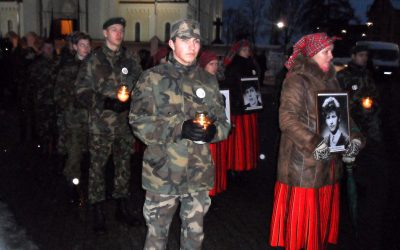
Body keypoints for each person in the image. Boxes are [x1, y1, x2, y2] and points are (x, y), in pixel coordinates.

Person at [129, 19, 230, 250]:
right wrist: (179, 128)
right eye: (185, 39)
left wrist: (214, 131)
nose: (192, 45)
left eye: (196, 40)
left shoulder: (208, 80)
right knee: (156, 237)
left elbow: (224, 122)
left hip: (198, 174)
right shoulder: (152, 78)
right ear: (172, 43)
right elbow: (138, 123)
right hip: (162, 173)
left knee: (194, 239)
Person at [269, 33, 365, 250]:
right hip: (304, 165)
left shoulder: (331, 79)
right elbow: (287, 119)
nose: (331, 56)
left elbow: (343, 116)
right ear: (312, 55)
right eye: (326, 52)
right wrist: (315, 143)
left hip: (329, 165)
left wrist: (356, 139)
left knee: (318, 231)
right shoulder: (297, 79)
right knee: (300, 233)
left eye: (331, 51)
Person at [75, 17, 143, 233]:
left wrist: (132, 100)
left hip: (124, 123)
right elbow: (81, 90)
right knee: (98, 166)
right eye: (114, 30)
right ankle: (97, 210)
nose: (118, 34)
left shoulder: (130, 58)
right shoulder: (94, 60)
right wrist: (104, 101)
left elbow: (141, 85)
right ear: (105, 33)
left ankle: (122, 207)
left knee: (124, 165)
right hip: (101, 123)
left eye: (121, 30)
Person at [337, 44, 387, 249]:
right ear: (353, 56)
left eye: (366, 56)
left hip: (370, 129)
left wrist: (372, 103)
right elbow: (339, 101)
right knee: (349, 166)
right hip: (351, 126)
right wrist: (357, 103)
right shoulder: (344, 76)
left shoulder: (368, 75)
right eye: (361, 55)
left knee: (368, 170)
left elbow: (376, 99)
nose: (364, 59)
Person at [54, 32, 91, 204]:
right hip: (75, 119)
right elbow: (58, 95)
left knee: (91, 155)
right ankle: (73, 188)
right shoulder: (68, 69)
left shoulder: (95, 67)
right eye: (82, 45)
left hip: (93, 119)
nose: (86, 48)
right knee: (75, 154)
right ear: (75, 47)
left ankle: (90, 187)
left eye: (87, 44)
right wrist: (74, 102)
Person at [223, 39, 260, 175]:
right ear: (238, 51)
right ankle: (235, 165)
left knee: (249, 140)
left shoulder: (252, 64)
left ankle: (248, 163)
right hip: (238, 109)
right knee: (238, 140)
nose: (247, 52)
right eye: (244, 50)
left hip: (250, 107)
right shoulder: (234, 66)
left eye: (248, 50)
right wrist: (237, 100)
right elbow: (230, 85)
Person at [198, 50, 230, 196]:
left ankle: (216, 186)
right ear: (204, 65)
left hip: (217, 127)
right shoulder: (200, 82)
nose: (215, 67)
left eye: (216, 64)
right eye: (211, 64)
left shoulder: (217, 81)